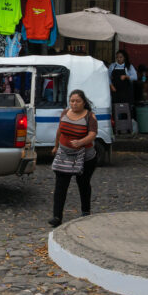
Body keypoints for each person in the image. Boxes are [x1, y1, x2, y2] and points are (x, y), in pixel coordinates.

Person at [48, 89, 98, 227]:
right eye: (72, 101)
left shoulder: (90, 116)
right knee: (60, 186)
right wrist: (56, 146)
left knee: (83, 184)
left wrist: (81, 142)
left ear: (83, 102)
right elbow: (60, 130)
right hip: (64, 154)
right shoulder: (65, 113)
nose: (74, 104)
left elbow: (93, 134)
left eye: (77, 101)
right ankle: (57, 216)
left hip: (85, 157)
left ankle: (85, 212)